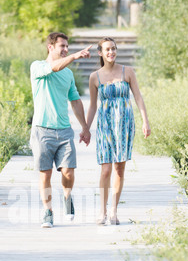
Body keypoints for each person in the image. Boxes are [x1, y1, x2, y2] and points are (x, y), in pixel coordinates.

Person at [30, 32, 92, 228]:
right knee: (45, 174)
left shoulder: (68, 74)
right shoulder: (38, 66)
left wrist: (85, 127)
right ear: (51, 47)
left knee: (68, 172)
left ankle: (67, 197)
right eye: (62, 46)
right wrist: (74, 56)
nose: (65, 49)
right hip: (42, 130)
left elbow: (75, 100)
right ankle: (48, 211)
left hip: (64, 130)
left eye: (67, 46)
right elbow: (54, 67)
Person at [86, 37, 151, 225]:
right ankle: (102, 211)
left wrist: (145, 121)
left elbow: (138, 98)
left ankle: (114, 209)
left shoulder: (127, 72)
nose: (111, 52)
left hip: (124, 125)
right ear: (100, 53)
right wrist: (85, 128)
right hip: (105, 126)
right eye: (107, 49)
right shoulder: (95, 77)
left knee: (119, 169)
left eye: (113, 49)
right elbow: (92, 107)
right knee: (105, 169)